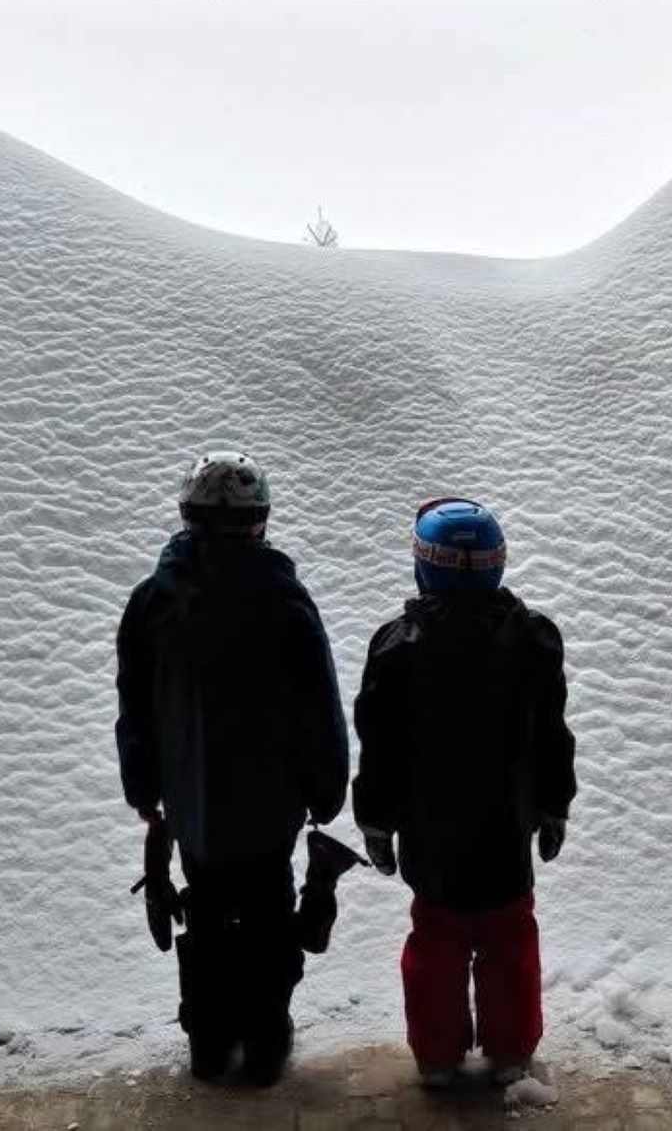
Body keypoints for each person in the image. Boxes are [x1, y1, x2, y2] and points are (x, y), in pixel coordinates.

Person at [115, 451, 349, 1085]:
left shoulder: (152, 602)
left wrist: (144, 789)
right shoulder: (285, 602)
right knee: (269, 914)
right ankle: (266, 1041)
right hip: (271, 806)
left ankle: (210, 1040)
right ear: (260, 521)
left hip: (192, 805)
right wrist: (326, 789)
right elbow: (317, 706)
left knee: (207, 912)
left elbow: (135, 706)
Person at [352, 497, 576, 1089]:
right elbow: (552, 734)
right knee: (509, 938)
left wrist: (375, 819)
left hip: (431, 834)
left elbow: (379, 746)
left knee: (436, 941)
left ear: (424, 567)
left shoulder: (397, 646)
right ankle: (511, 1052)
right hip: (507, 829)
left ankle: (437, 1057)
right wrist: (554, 804)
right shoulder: (533, 639)